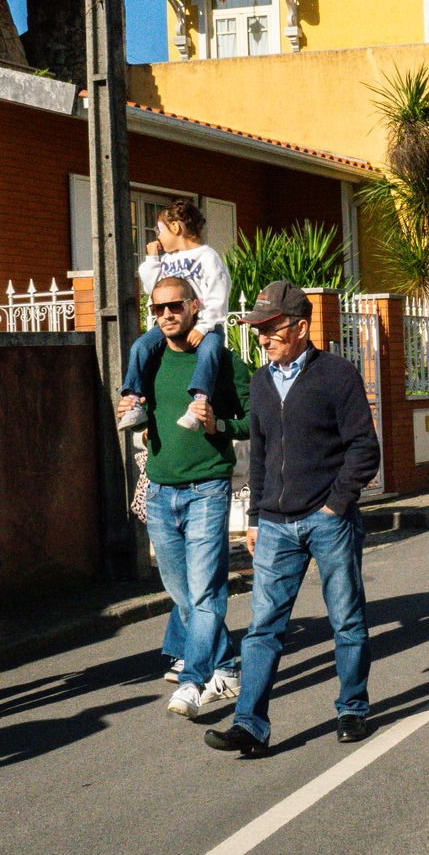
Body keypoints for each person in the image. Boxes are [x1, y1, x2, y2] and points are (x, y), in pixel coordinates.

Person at [205, 281, 383, 757]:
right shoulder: (261, 383)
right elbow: (260, 455)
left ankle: (351, 708)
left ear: (301, 327)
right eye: (258, 330)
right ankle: (250, 724)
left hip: (328, 520)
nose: (262, 338)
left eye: (271, 329)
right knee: (263, 627)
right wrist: (256, 518)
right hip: (276, 525)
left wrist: (335, 504)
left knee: (346, 620)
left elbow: (365, 450)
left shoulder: (337, 375)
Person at [121, 276, 253, 719]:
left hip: (207, 489)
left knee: (206, 592)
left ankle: (195, 681)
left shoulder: (222, 360)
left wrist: (218, 426)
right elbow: (142, 415)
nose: (166, 315)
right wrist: (132, 413)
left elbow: (254, 421)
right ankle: (228, 666)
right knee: (182, 594)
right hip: (160, 490)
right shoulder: (150, 357)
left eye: (174, 306)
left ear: (195, 306)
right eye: (157, 309)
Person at [118, 199, 231, 434]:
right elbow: (154, 290)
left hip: (204, 324)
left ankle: (199, 402)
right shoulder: (168, 260)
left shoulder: (207, 257)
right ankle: (134, 400)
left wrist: (205, 326)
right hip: (172, 324)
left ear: (176, 228)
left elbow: (219, 293)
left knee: (210, 352)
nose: (158, 237)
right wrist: (152, 259)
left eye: (160, 231)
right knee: (139, 347)